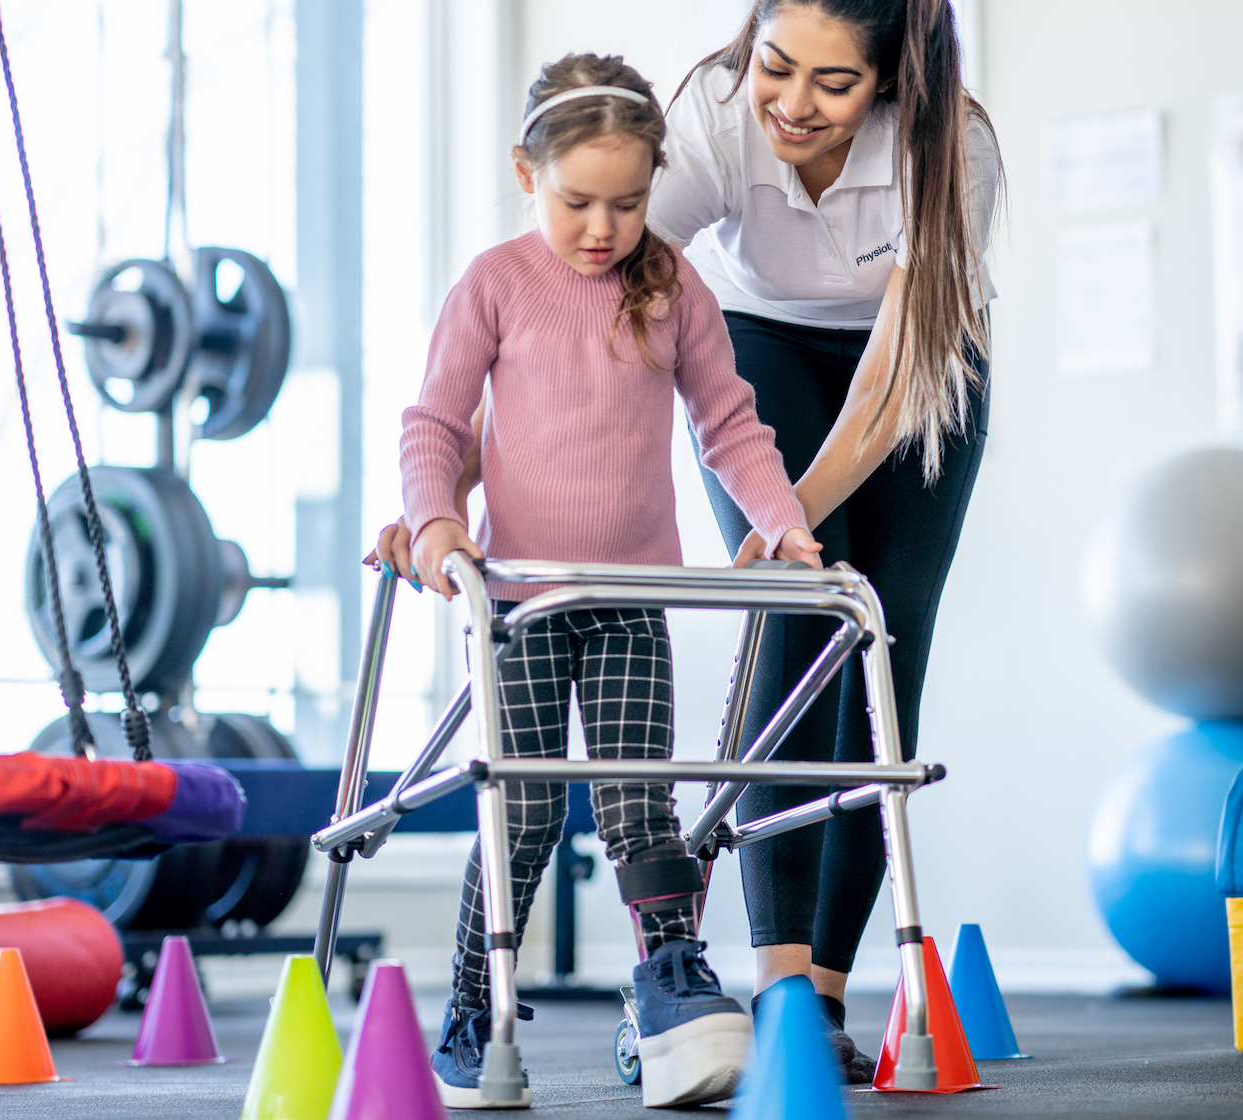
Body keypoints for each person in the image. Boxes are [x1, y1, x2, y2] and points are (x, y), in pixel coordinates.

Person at [388, 52, 823, 1110]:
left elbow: (728, 424)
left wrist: (785, 522)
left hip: (628, 598)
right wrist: (435, 521)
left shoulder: (671, 283)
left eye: (627, 203)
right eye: (578, 201)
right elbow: (436, 426)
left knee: (641, 806)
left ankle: (672, 984)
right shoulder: (493, 284)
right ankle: (473, 1004)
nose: (603, 226)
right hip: (523, 602)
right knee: (525, 816)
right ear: (524, 173)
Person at [646, 0, 1002, 1083]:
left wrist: (792, 506)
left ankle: (830, 996)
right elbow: (602, 284)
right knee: (798, 617)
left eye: (833, 84)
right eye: (777, 66)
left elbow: (894, 374)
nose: (793, 104)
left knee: (879, 645)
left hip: (918, 364)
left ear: (891, 82)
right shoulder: (713, 111)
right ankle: (779, 981)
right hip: (756, 337)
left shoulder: (955, 150)